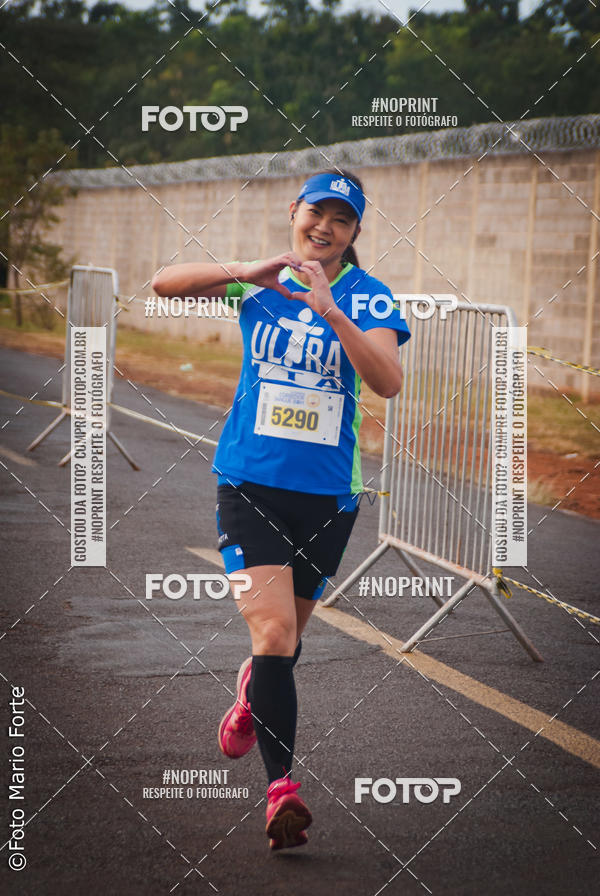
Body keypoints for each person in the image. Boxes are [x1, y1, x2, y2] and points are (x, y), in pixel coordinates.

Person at [152, 169, 410, 850]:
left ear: (355, 233)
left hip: (328, 496)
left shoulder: (370, 297)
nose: (325, 228)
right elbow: (160, 284)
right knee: (272, 635)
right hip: (248, 483)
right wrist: (248, 270)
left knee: (284, 644)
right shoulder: (256, 284)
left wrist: (331, 309)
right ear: (292, 212)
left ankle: (250, 695)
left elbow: (387, 380)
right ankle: (281, 793)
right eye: (315, 213)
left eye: (342, 220)